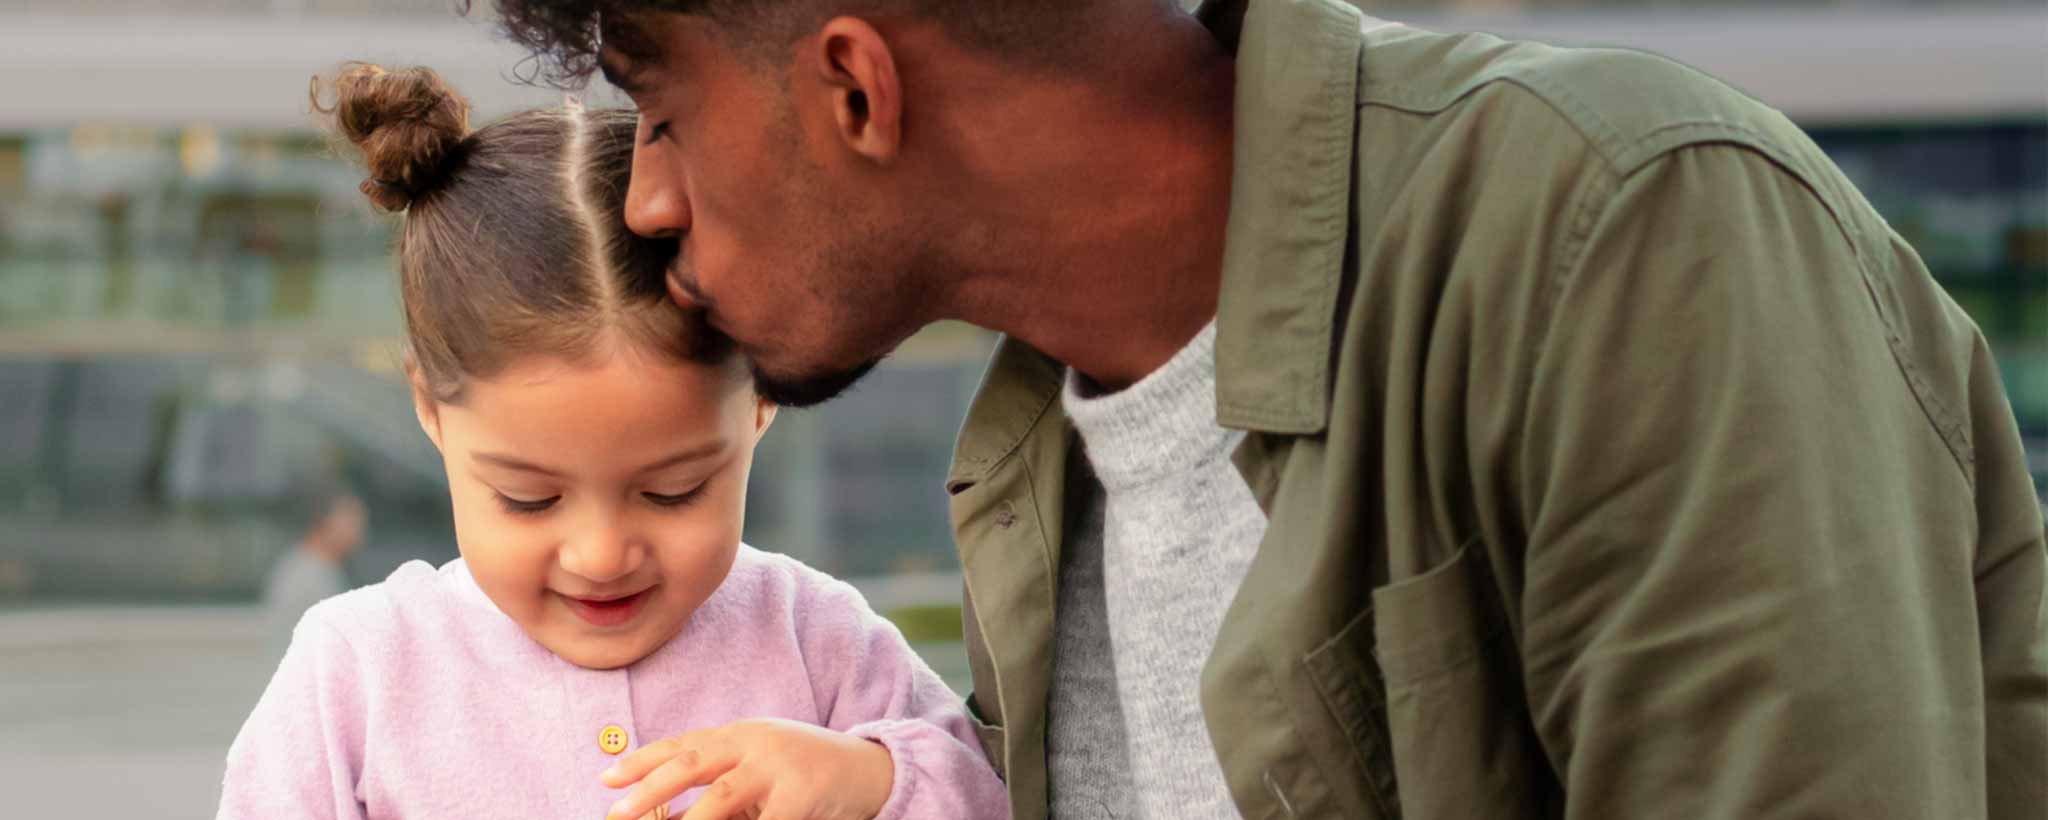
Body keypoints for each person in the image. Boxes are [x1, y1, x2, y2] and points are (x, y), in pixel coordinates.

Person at [481, 1, 2048, 818]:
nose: (657, 198)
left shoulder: (1620, 229)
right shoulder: (1032, 457)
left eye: (668, 111)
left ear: (856, 89)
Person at [216, 64, 1008, 820]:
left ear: (764, 394)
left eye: (673, 491)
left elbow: (1001, 798)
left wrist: (866, 780)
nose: (600, 555)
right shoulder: (358, 673)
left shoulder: (820, 641)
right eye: (530, 500)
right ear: (431, 407)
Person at [261, 493, 367, 654]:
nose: (359, 530)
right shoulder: (306, 575)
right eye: (351, 520)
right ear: (325, 521)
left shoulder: (319, 568)